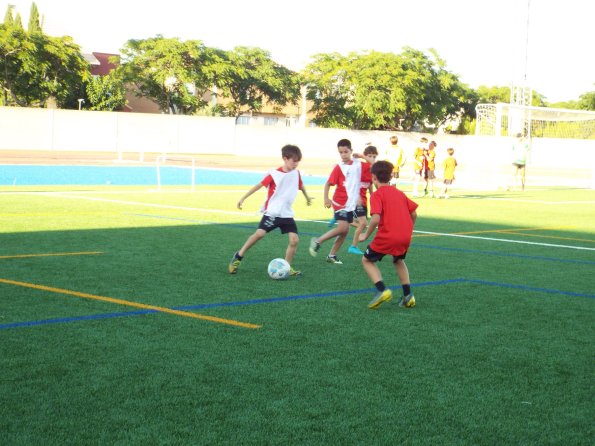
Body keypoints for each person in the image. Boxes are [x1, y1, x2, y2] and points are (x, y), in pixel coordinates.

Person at [229, 144, 312, 276]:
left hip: (286, 214)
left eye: (298, 161)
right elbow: (259, 185)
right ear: (285, 158)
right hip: (273, 212)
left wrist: (307, 197)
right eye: (293, 161)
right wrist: (243, 198)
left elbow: (301, 186)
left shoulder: (296, 174)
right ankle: (238, 256)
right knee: (259, 234)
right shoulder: (275, 174)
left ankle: (287, 267)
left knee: (294, 240)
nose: (296, 164)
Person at [358, 160, 418, 309]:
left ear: (373, 177)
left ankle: (382, 290)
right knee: (398, 260)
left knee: (366, 260)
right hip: (405, 236)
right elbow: (414, 213)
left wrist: (365, 235)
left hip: (388, 236)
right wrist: (409, 229)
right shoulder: (399, 193)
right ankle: (408, 295)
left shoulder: (377, 195)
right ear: (391, 177)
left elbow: (376, 218)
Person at [309, 138, 362, 264]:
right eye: (341, 152)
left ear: (351, 151)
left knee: (345, 231)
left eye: (345, 152)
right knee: (343, 227)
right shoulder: (339, 168)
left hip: (349, 204)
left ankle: (331, 256)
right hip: (339, 202)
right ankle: (318, 241)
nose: (343, 155)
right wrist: (326, 198)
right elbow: (328, 183)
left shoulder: (356, 165)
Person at [347, 145, 378, 255]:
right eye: (370, 156)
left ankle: (346, 219)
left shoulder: (373, 171)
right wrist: (362, 156)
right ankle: (353, 246)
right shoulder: (361, 165)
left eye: (374, 156)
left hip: (363, 200)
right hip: (355, 199)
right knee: (363, 223)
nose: (372, 158)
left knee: (362, 224)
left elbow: (370, 187)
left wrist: (374, 198)